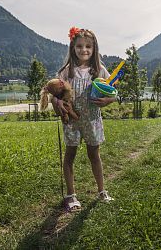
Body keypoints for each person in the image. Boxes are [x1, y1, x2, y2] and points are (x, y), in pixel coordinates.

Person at [52, 26, 116, 211]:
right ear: (73, 47)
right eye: (79, 46)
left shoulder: (99, 70)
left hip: (93, 119)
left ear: (94, 49)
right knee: (70, 155)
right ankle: (71, 196)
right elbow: (55, 93)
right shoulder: (66, 71)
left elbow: (113, 93)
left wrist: (107, 101)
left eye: (88, 46)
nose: (84, 50)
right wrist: (58, 102)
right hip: (71, 121)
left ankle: (102, 191)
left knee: (94, 155)